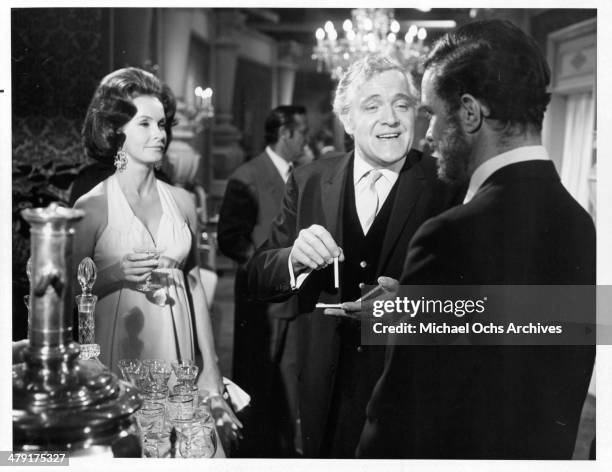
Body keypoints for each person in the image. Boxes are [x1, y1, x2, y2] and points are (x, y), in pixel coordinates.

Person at [357, 19, 596, 459]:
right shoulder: (581, 225)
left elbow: (398, 416)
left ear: (469, 112)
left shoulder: (448, 236)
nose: (425, 135)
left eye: (431, 113)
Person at [246, 53, 462, 458]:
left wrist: (414, 306)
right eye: (372, 105)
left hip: (405, 389)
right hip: (322, 390)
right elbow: (256, 276)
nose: (392, 118)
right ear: (346, 119)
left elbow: (474, 299)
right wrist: (293, 258)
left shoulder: (447, 184)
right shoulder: (310, 179)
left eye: (402, 105)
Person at [72, 67, 241, 436]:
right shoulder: (93, 205)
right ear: (117, 131)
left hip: (175, 350)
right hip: (117, 351)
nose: (159, 134)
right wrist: (116, 273)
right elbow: (70, 292)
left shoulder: (181, 201)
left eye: (162, 124)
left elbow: (194, 286)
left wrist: (210, 374)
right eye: (145, 124)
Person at [217, 105, 308, 457]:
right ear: (284, 133)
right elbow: (230, 237)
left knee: (289, 382)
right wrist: (263, 265)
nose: (306, 140)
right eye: (301, 133)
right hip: (259, 305)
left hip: (295, 299)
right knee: (257, 381)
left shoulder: (302, 174)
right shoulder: (247, 175)